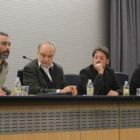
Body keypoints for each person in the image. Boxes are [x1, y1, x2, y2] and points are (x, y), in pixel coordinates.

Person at [0, 31, 12, 96]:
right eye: (4, 44)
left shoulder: (5, 66)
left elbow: (0, 87)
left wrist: (11, 93)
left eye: (9, 44)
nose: (8, 48)